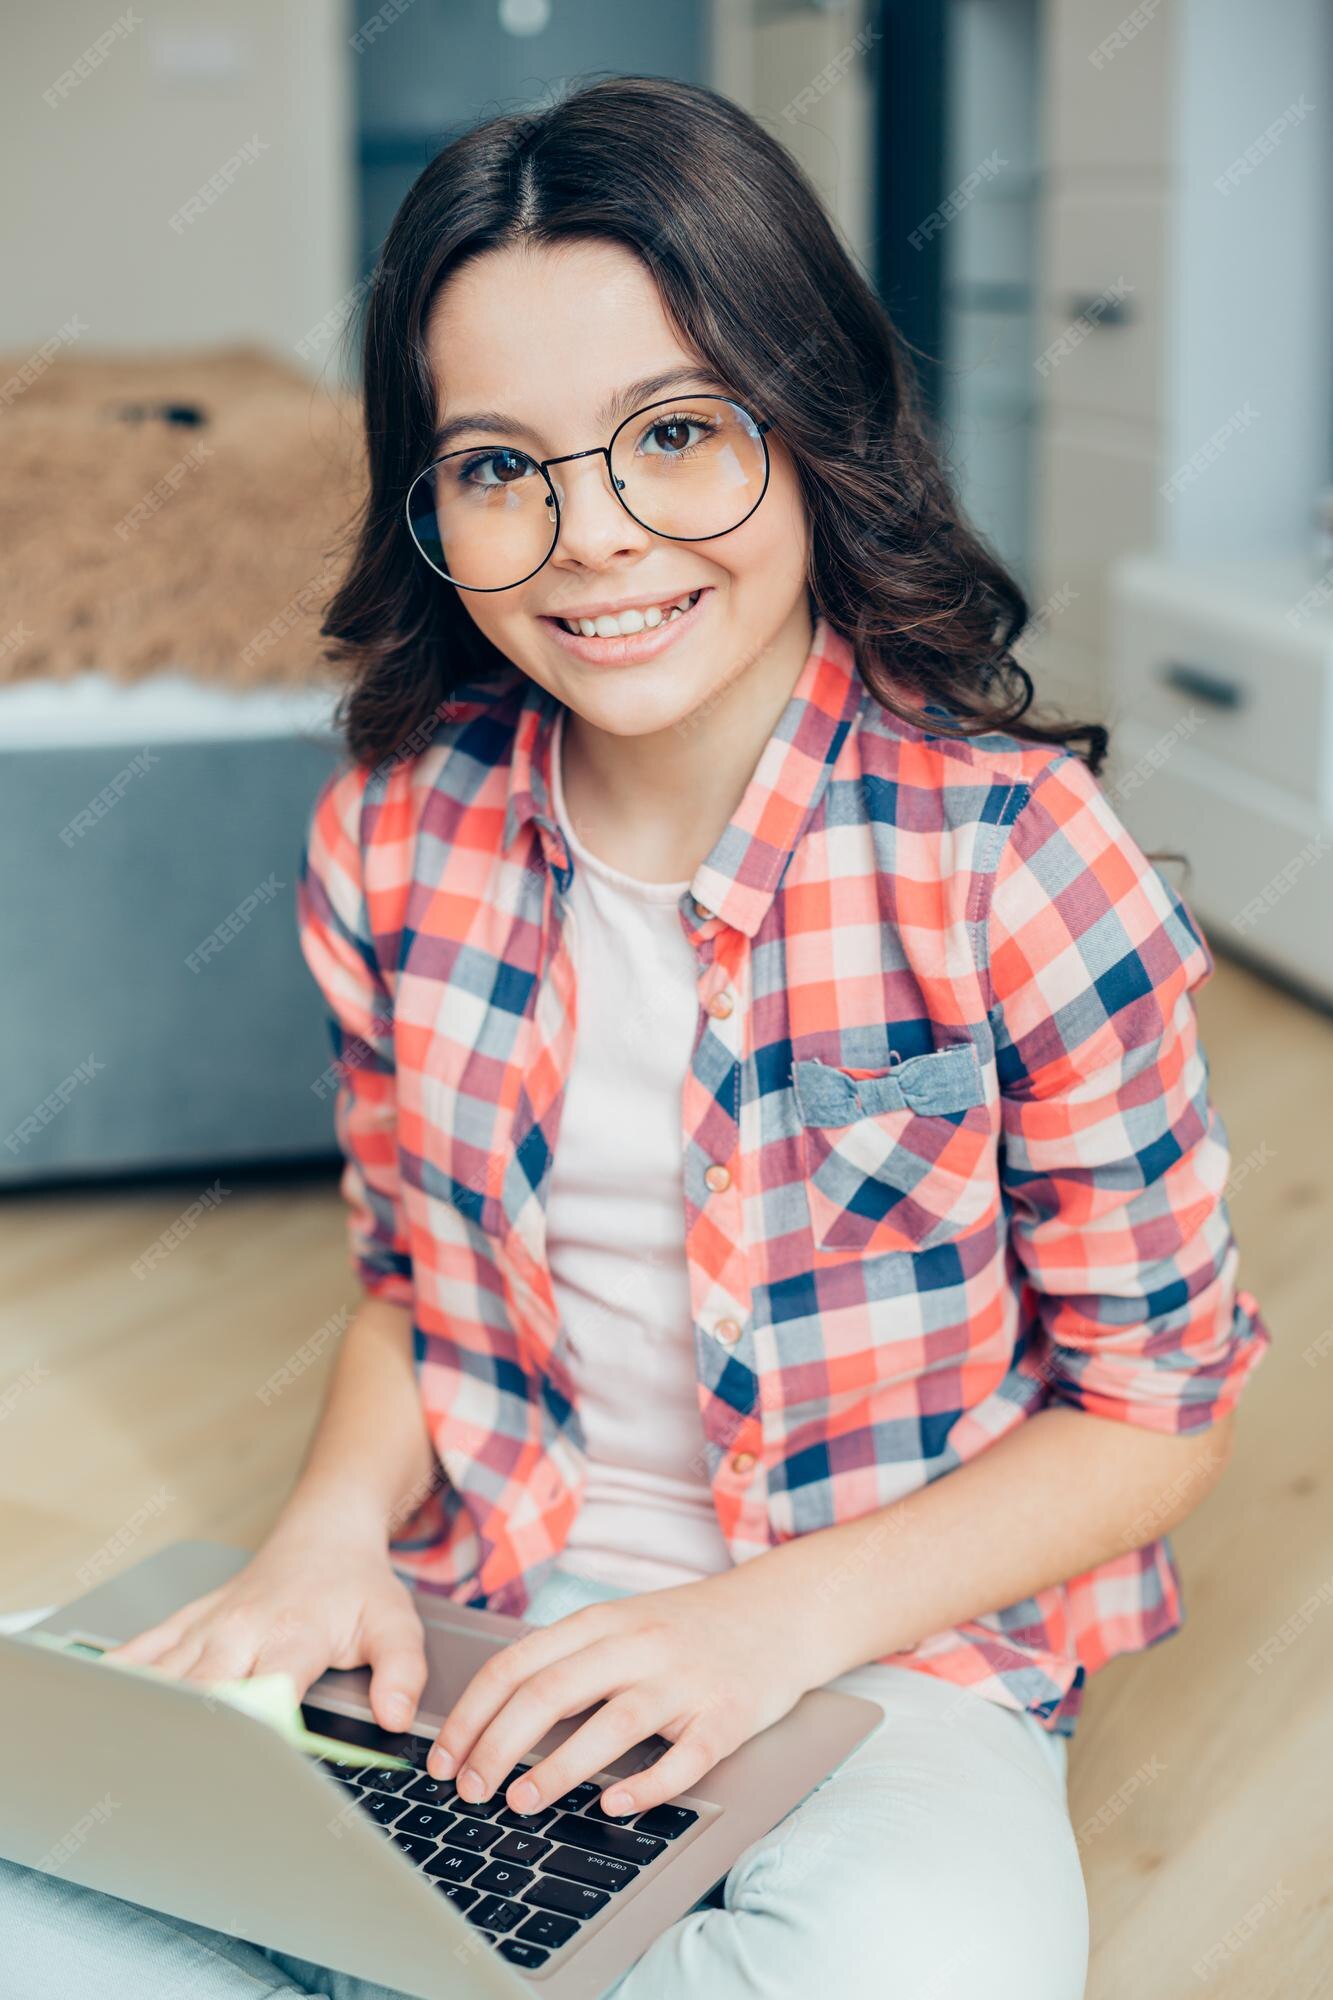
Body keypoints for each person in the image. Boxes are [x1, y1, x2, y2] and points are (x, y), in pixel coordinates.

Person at [1, 74, 1270, 2000]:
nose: (591, 539)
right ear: (431, 502)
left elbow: (1152, 1410)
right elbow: (410, 1281)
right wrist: (325, 1542)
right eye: (501, 465)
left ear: (813, 424)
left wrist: (755, 1631)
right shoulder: (395, 835)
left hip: (876, 1643)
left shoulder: (1010, 857)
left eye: (673, 435)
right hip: (491, 1596)